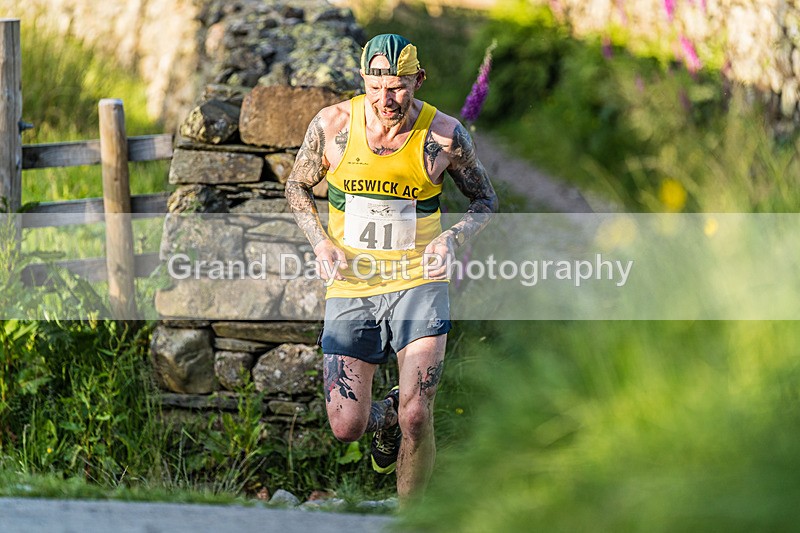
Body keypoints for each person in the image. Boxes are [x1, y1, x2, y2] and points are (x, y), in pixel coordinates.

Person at [285, 33, 498, 503]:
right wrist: (320, 241)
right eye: (376, 86)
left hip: (418, 281)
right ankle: (383, 416)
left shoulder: (443, 135)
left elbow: (485, 199)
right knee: (346, 425)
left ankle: (410, 517)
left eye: (399, 87)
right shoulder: (333, 124)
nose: (387, 98)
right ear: (363, 81)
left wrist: (452, 237)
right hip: (352, 284)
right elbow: (297, 186)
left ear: (417, 81)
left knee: (418, 415)